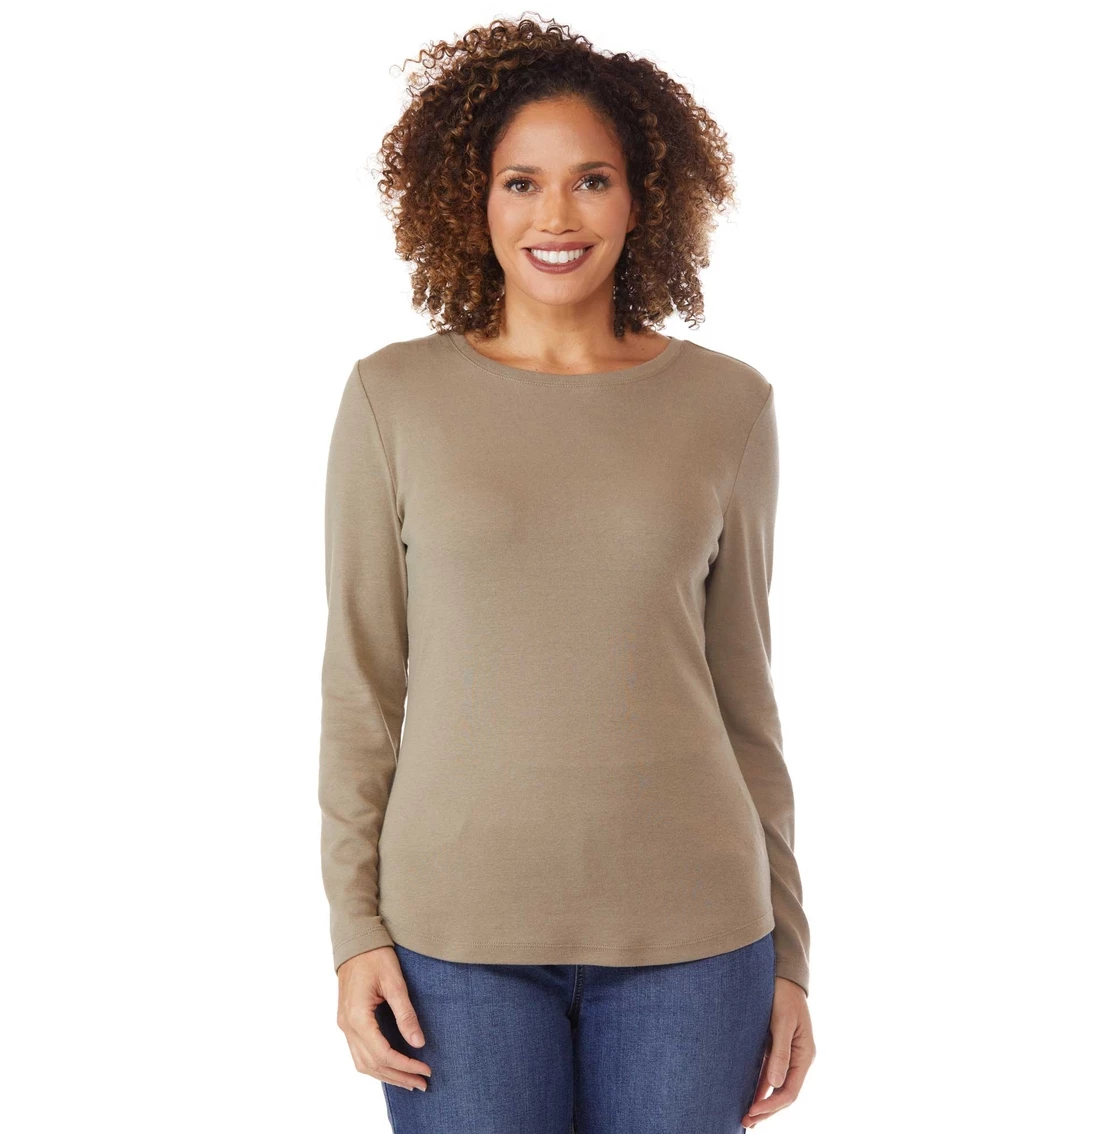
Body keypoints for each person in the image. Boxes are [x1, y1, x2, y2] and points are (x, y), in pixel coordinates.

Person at [318, 16, 816, 1133]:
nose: (556, 216)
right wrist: (355, 932)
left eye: (592, 180)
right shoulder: (393, 399)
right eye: (522, 183)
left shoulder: (728, 405)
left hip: (697, 940)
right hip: (453, 941)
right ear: (473, 201)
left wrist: (790, 950)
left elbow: (746, 698)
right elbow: (361, 691)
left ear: (642, 200)